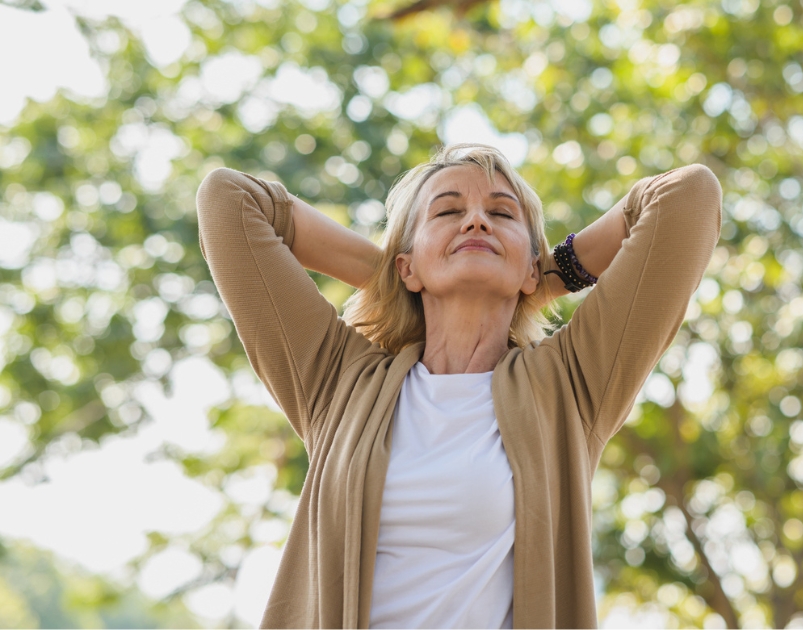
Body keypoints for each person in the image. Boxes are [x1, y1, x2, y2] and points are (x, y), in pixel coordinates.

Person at [195, 142, 722, 628]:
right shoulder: (338, 380)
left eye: (501, 214)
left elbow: (686, 198)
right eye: (447, 212)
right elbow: (230, 201)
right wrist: (393, 277)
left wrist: (545, 275)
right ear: (407, 265)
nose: (475, 220)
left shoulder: (570, 383)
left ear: (530, 268)